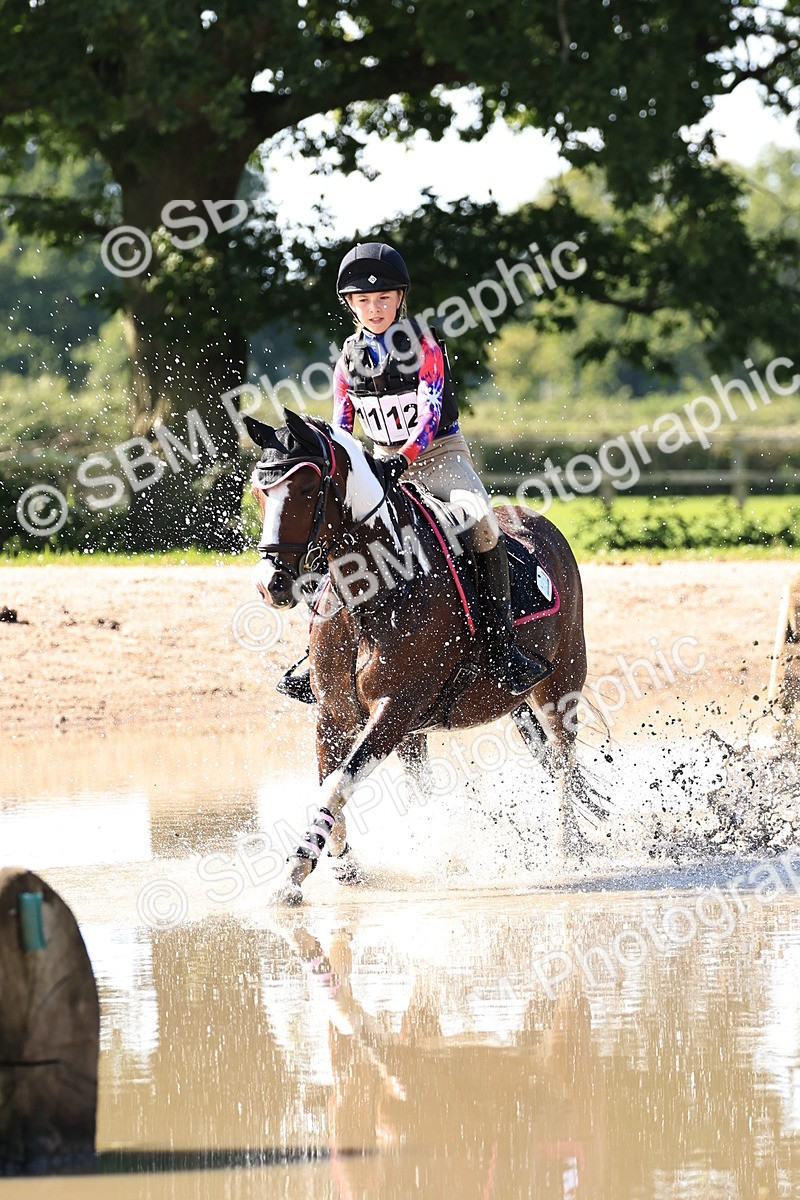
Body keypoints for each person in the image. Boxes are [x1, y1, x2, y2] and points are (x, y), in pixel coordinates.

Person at [278, 240, 550, 702]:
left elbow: (428, 416)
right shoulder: (346, 361)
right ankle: (319, 654)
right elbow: (343, 425)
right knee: (330, 537)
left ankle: (501, 643)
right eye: (363, 301)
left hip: (439, 457)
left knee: (480, 521)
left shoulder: (423, 347)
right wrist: (347, 465)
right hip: (378, 463)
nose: (374, 308)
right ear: (350, 304)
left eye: (383, 298)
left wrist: (400, 461)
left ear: (400, 299)